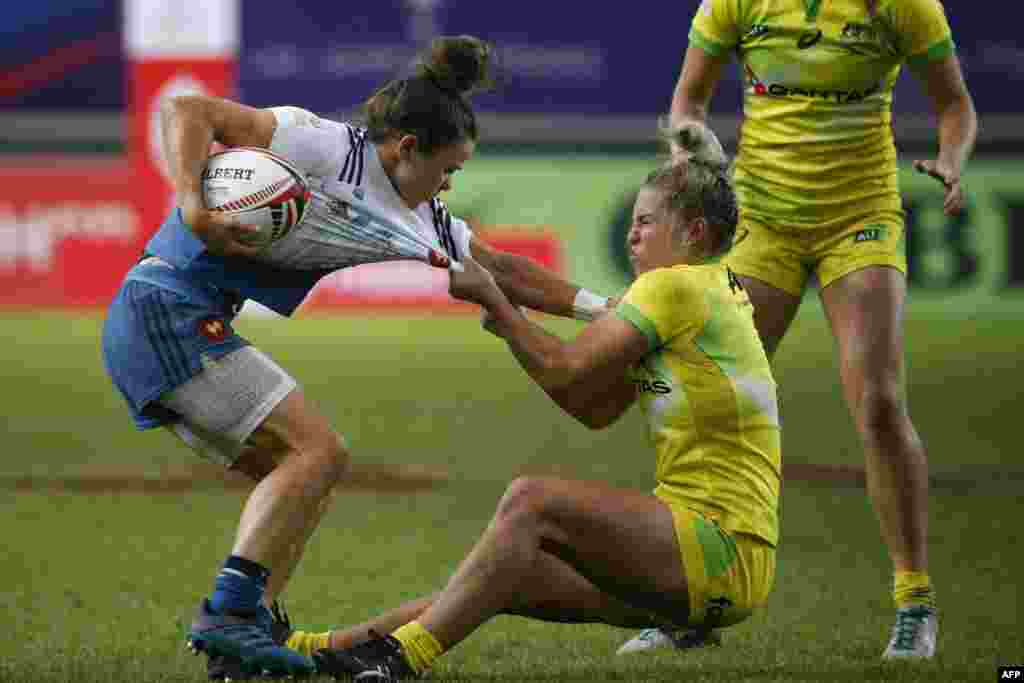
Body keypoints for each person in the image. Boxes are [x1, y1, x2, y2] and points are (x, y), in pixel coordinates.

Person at [100, 35, 612, 681]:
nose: (450, 184)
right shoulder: (322, 144)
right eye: (447, 169)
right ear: (406, 150)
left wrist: (605, 309)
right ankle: (229, 615)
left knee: (298, 478)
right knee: (319, 452)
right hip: (162, 306)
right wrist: (193, 205)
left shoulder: (424, 218)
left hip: (179, 318)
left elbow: (505, 267)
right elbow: (188, 112)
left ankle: (243, 644)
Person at [307, 124, 783, 682]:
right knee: (499, 576)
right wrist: (512, 320)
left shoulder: (673, 287)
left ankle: (400, 660)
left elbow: (564, 368)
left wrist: (499, 306)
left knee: (531, 500)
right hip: (719, 568)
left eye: (646, 222)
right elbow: (593, 409)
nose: (632, 236)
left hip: (714, 549)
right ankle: (311, 650)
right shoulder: (713, 289)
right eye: (631, 222)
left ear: (695, 231)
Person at [615, 0, 977, 661]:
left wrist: (953, 157)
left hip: (860, 216)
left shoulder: (905, 5)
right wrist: (688, 146)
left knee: (878, 401)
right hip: (762, 221)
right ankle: (685, 602)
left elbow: (955, 104)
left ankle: (914, 603)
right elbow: (689, 99)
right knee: (704, 397)